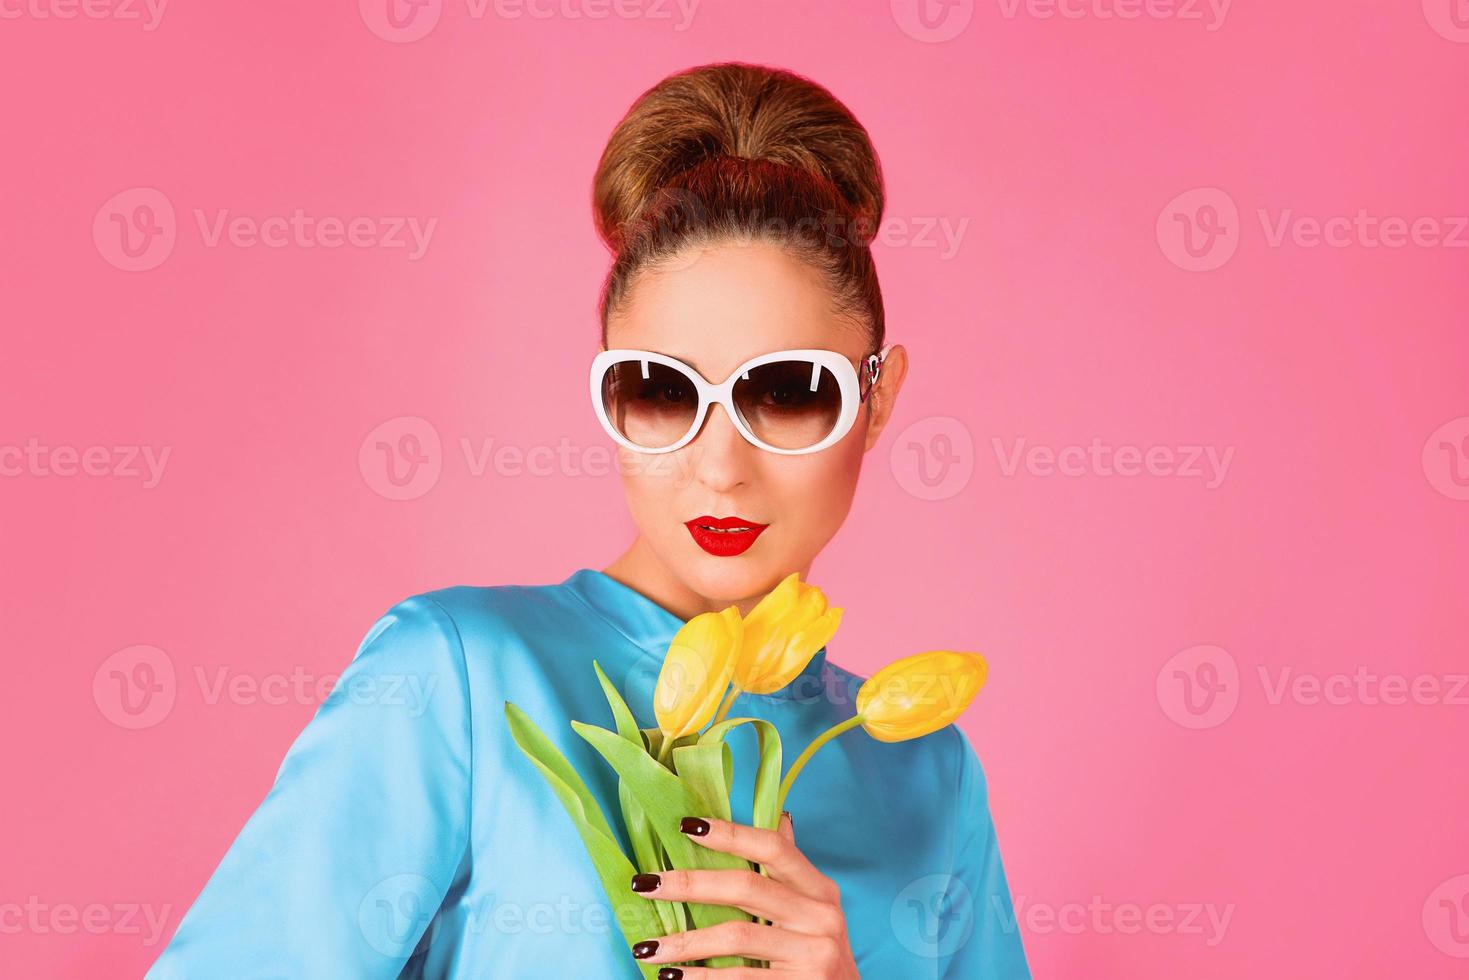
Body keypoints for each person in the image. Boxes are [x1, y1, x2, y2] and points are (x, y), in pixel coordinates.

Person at [147, 61, 1030, 979]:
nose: (720, 465)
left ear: (876, 400)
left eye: (787, 391)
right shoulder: (459, 679)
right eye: (659, 391)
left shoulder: (925, 775)